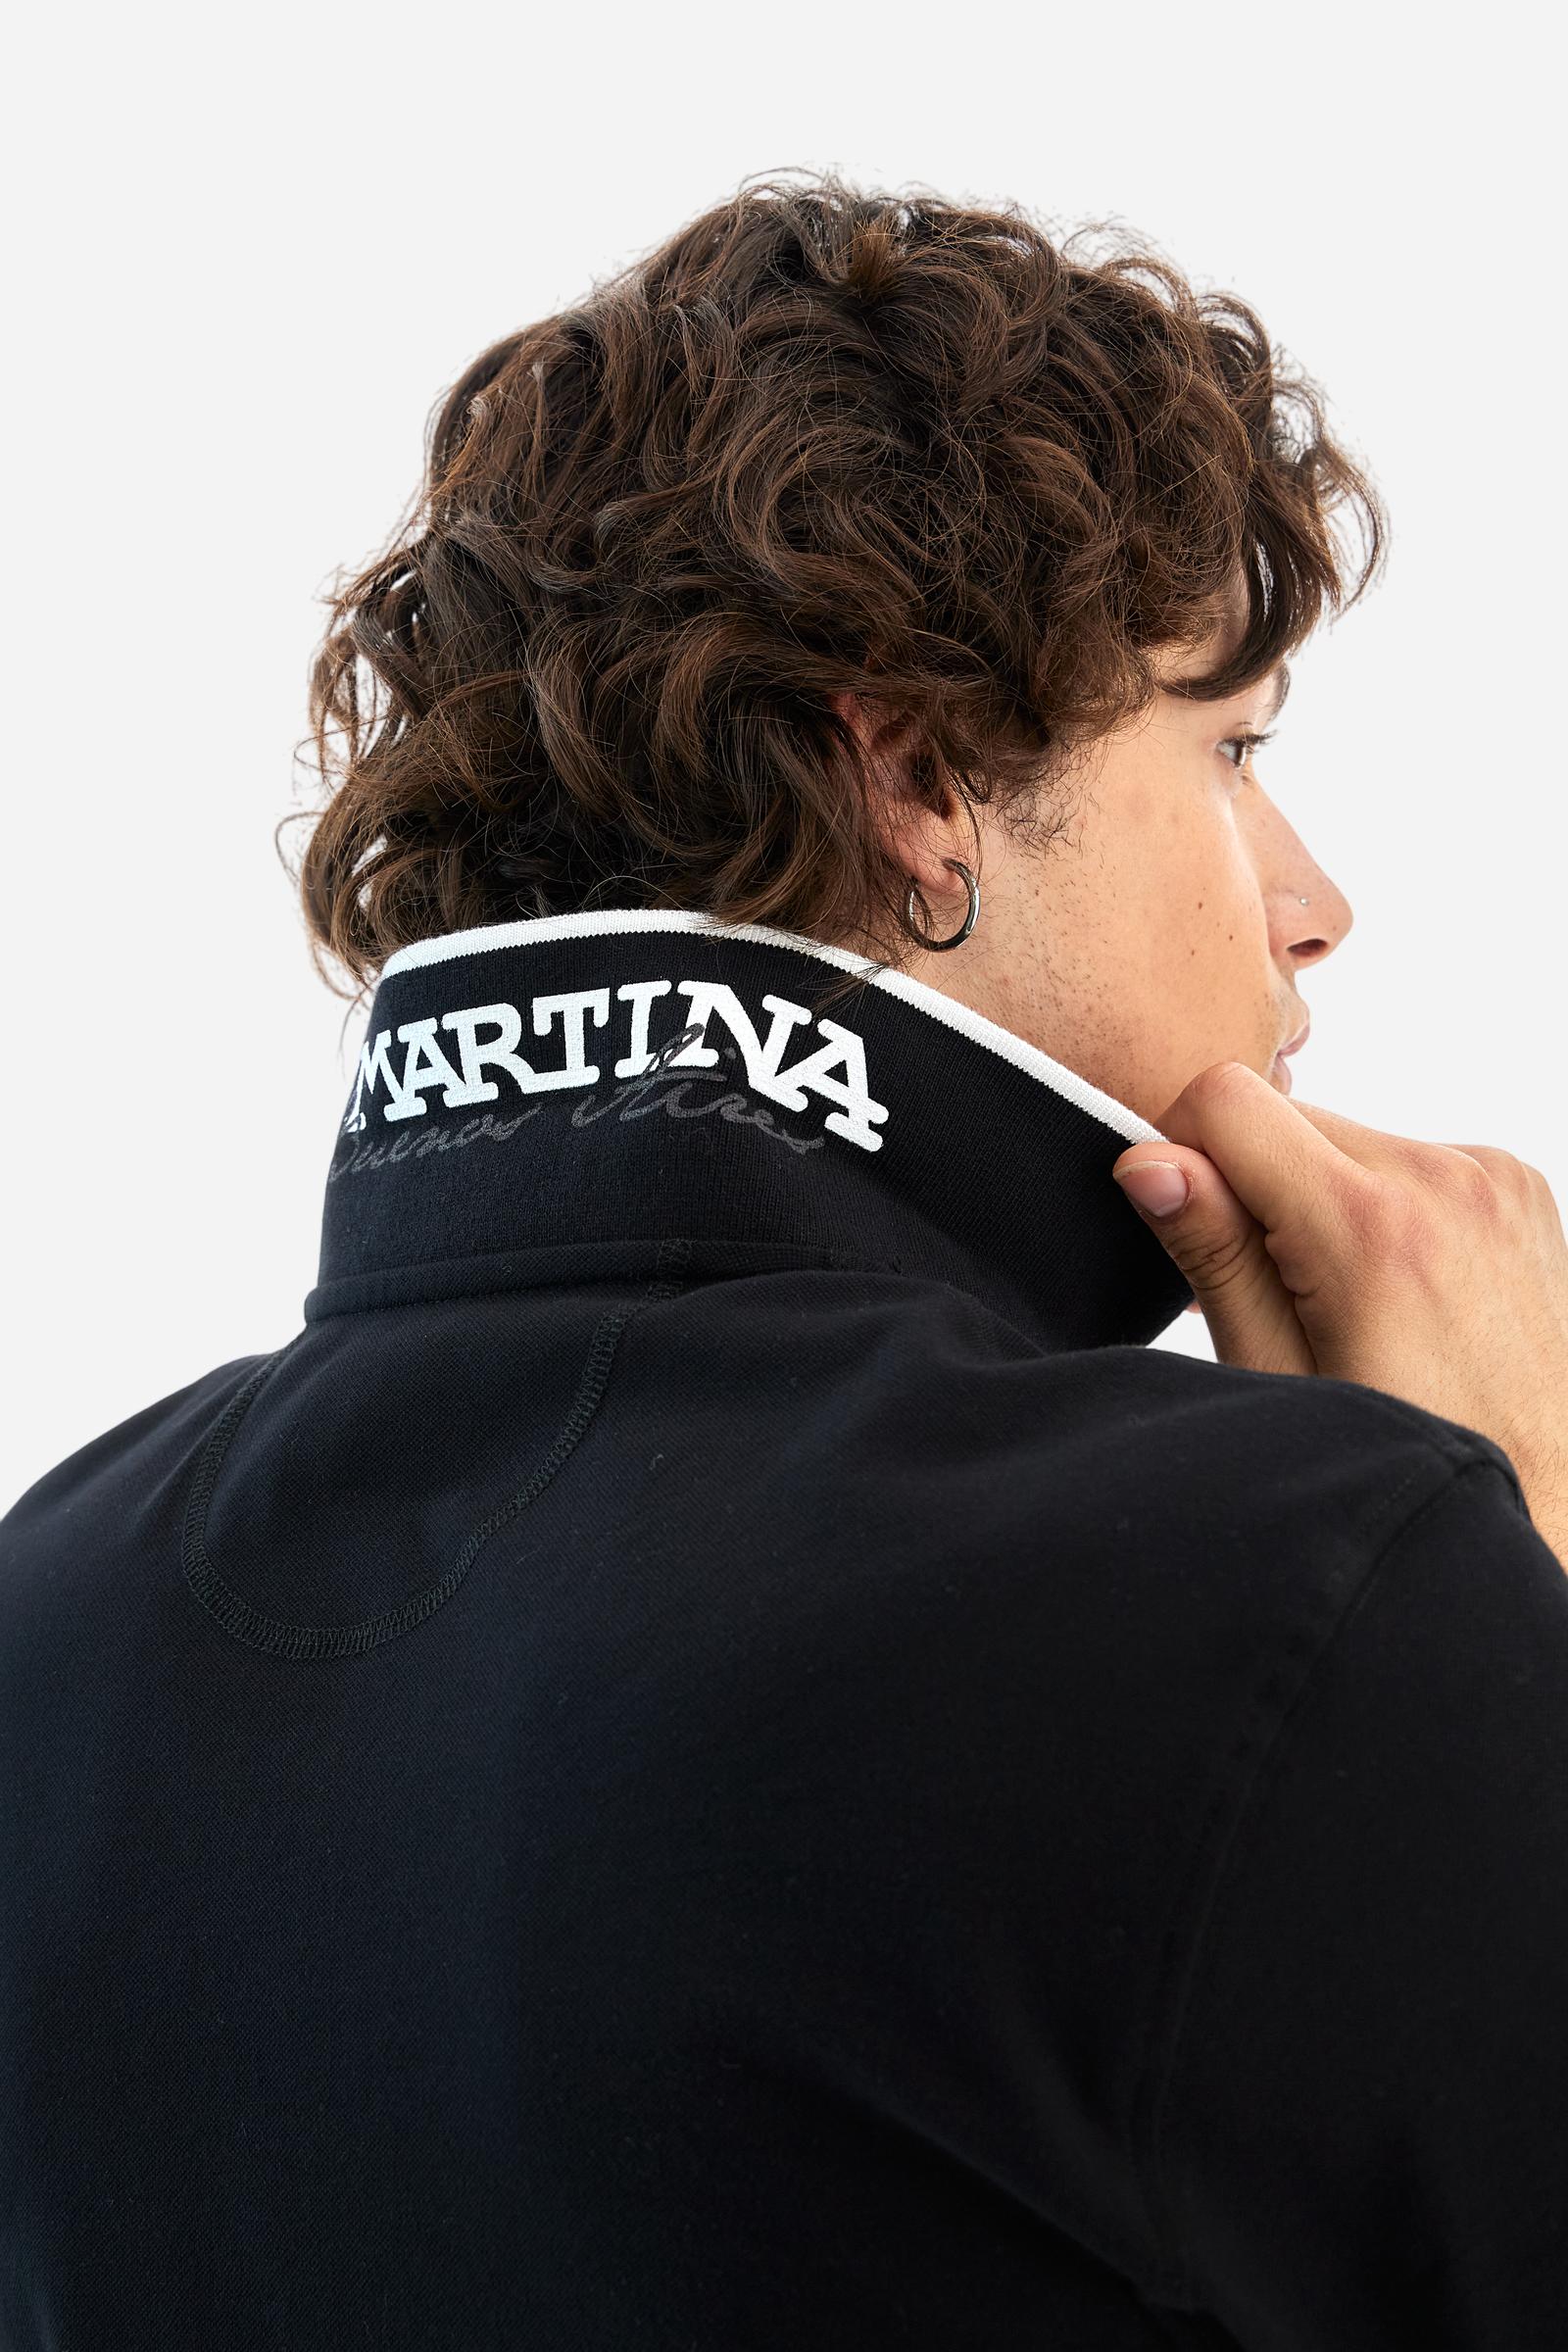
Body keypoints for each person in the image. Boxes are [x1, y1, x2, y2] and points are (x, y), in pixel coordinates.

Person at [4, 172, 1568, 2351]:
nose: (1313, 906)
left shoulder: (46, 1616)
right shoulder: (1303, 1586)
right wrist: (1511, 1560)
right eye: (1228, 752)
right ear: (919, 780)